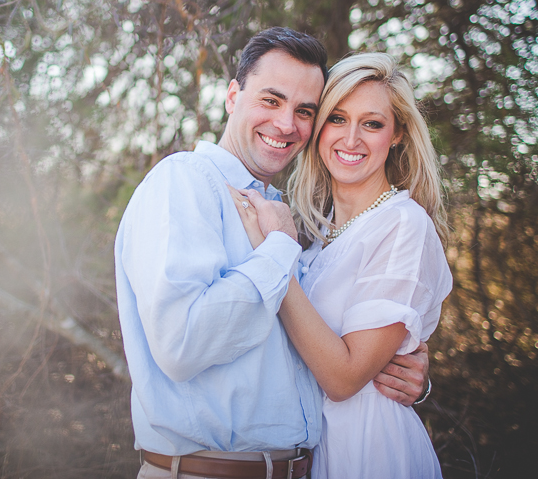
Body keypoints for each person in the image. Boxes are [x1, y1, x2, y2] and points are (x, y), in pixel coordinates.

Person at [114, 28, 430, 479]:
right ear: (232, 96)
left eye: (304, 111)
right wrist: (278, 251)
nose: (286, 124)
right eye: (271, 100)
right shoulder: (183, 182)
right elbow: (181, 345)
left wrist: (399, 367)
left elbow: (312, 349)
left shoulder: (283, 216)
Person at [230, 52, 452, 478]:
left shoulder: (403, 224)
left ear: (398, 135)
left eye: (372, 123)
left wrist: (276, 252)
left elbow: (345, 377)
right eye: (337, 119)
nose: (351, 139)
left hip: (369, 452)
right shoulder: (317, 234)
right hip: (312, 452)